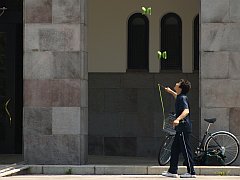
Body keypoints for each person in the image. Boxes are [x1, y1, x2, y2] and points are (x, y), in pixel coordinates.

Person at [162, 79, 196, 178]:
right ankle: (172, 171)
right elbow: (177, 97)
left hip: (183, 128)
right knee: (174, 149)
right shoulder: (181, 97)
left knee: (186, 150)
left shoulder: (182, 98)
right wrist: (171, 92)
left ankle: (191, 172)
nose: (176, 83)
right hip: (180, 129)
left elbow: (186, 111)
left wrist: (177, 119)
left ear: (180, 87)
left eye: (178, 83)